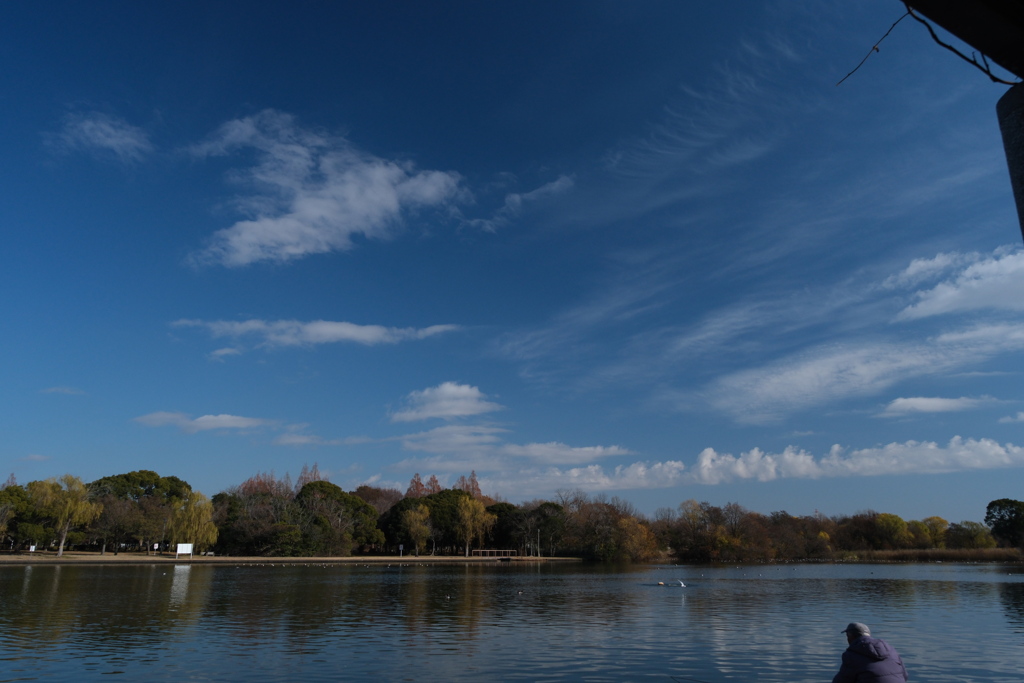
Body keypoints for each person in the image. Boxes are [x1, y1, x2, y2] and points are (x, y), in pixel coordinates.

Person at [832, 622, 908, 683]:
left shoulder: (852, 654)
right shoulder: (891, 650)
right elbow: (905, 676)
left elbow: (842, 680)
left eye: (847, 636)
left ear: (850, 636)